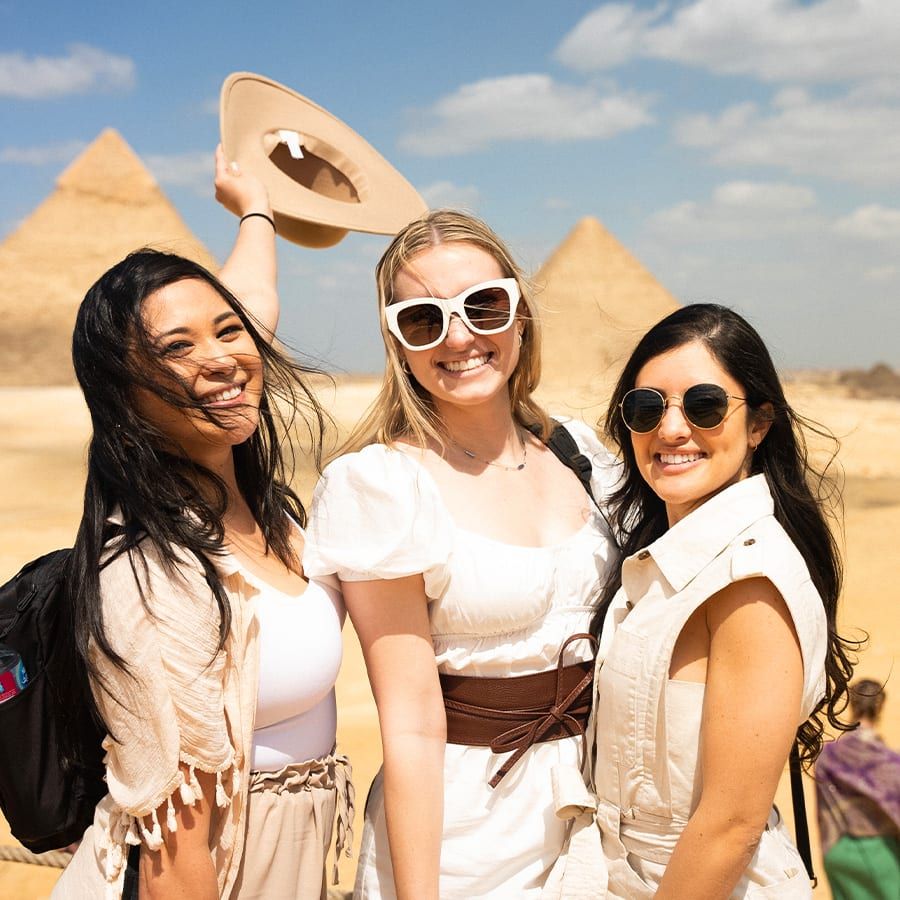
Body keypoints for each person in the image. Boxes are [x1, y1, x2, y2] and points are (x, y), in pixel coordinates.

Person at [52, 163, 352, 900]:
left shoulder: (258, 503)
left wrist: (256, 211)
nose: (221, 359)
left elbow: (247, 312)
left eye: (228, 332)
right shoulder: (154, 576)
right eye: (175, 350)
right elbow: (175, 858)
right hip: (218, 870)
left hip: (286, 858)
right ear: (126, 395)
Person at [301, 210, 621, 899]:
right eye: (423, 319)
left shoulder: (584, 455)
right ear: (396, 340)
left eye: (483, 305)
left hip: (599, 815)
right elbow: (412, 725)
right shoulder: (382, 488)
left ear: (520, 312)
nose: (460, 336)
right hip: (467, 836)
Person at [555, 303, 856, 898]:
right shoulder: (665, 559)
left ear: (760, 424)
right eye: (646, 408)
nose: (671, 430)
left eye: (705, 405)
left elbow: (729, 828)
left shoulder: (748, 584)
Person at [816, 678, 900, 899]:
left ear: (852, 704)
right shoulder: (890, 762)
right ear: (879, 707)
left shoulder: (826, 756)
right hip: (880, 853)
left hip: (837, 851)